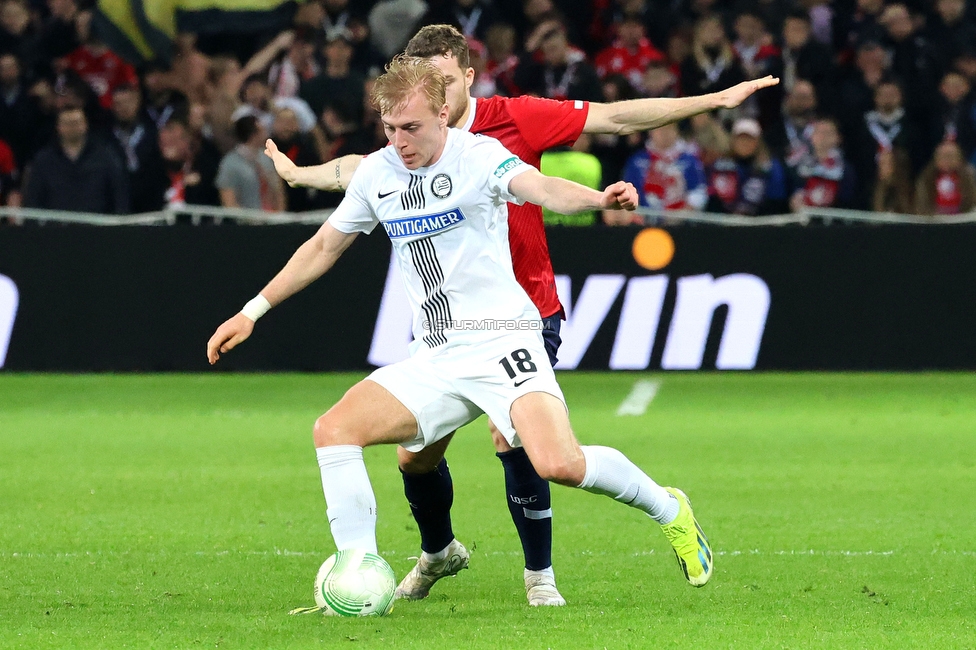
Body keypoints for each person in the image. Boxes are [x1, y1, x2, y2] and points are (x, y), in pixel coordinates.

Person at [264, 24, 776, 606]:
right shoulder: (391, 159)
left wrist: (705, 106)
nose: (403, 134)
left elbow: (583, 147)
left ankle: (566, 563)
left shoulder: (494, 138)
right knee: (397, 452)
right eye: (392, 126)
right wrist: (296, 186)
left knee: (545, 456)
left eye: (443, 84)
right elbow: (347, 188)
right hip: (438, 348)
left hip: (516, 323)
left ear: (460, 82)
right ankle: (411, 557)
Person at [24, 106, 128, 214]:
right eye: (67, 123)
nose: (72, 127)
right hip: (56, 228)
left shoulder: (106, 157)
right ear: (58, 127)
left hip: (98, 227)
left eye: (76, 122)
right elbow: (33, 200)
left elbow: (119, 197)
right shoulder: (43, 161)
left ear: (85, 124)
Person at [215, 114, 284, 211]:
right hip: (248, 221)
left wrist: (279, 215)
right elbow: (229, 201)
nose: (266, 134)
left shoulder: (267, 158)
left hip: (272, 219)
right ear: (253, 135)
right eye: (262, 131)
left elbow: (278, 190)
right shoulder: (230, 164)